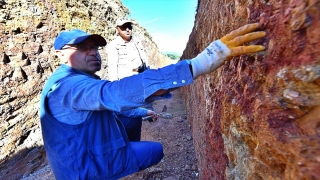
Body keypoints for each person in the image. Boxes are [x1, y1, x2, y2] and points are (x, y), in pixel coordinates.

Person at [40, 23, 266, 179]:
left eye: (95, 48)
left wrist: (142, 112)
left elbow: (110, 107)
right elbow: (112, 95)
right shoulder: (66, 86)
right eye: (82, 48)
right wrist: (197, 65)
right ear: (61, 54)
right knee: (155, 150)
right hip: (82, 169)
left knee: (132, 117)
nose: (93, 53)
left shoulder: (72, 79)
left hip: (79, 157)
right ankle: (115, 163)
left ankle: (121, 154)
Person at [106, 17, 149, 81]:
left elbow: (144, 60)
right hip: (126, 82)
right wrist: (115, 86)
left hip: (141, 78)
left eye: (129, 26)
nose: (127, 29)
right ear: (117, 29)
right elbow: (112, 68)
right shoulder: (114, 45)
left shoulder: (137, 41)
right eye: (124, 27)